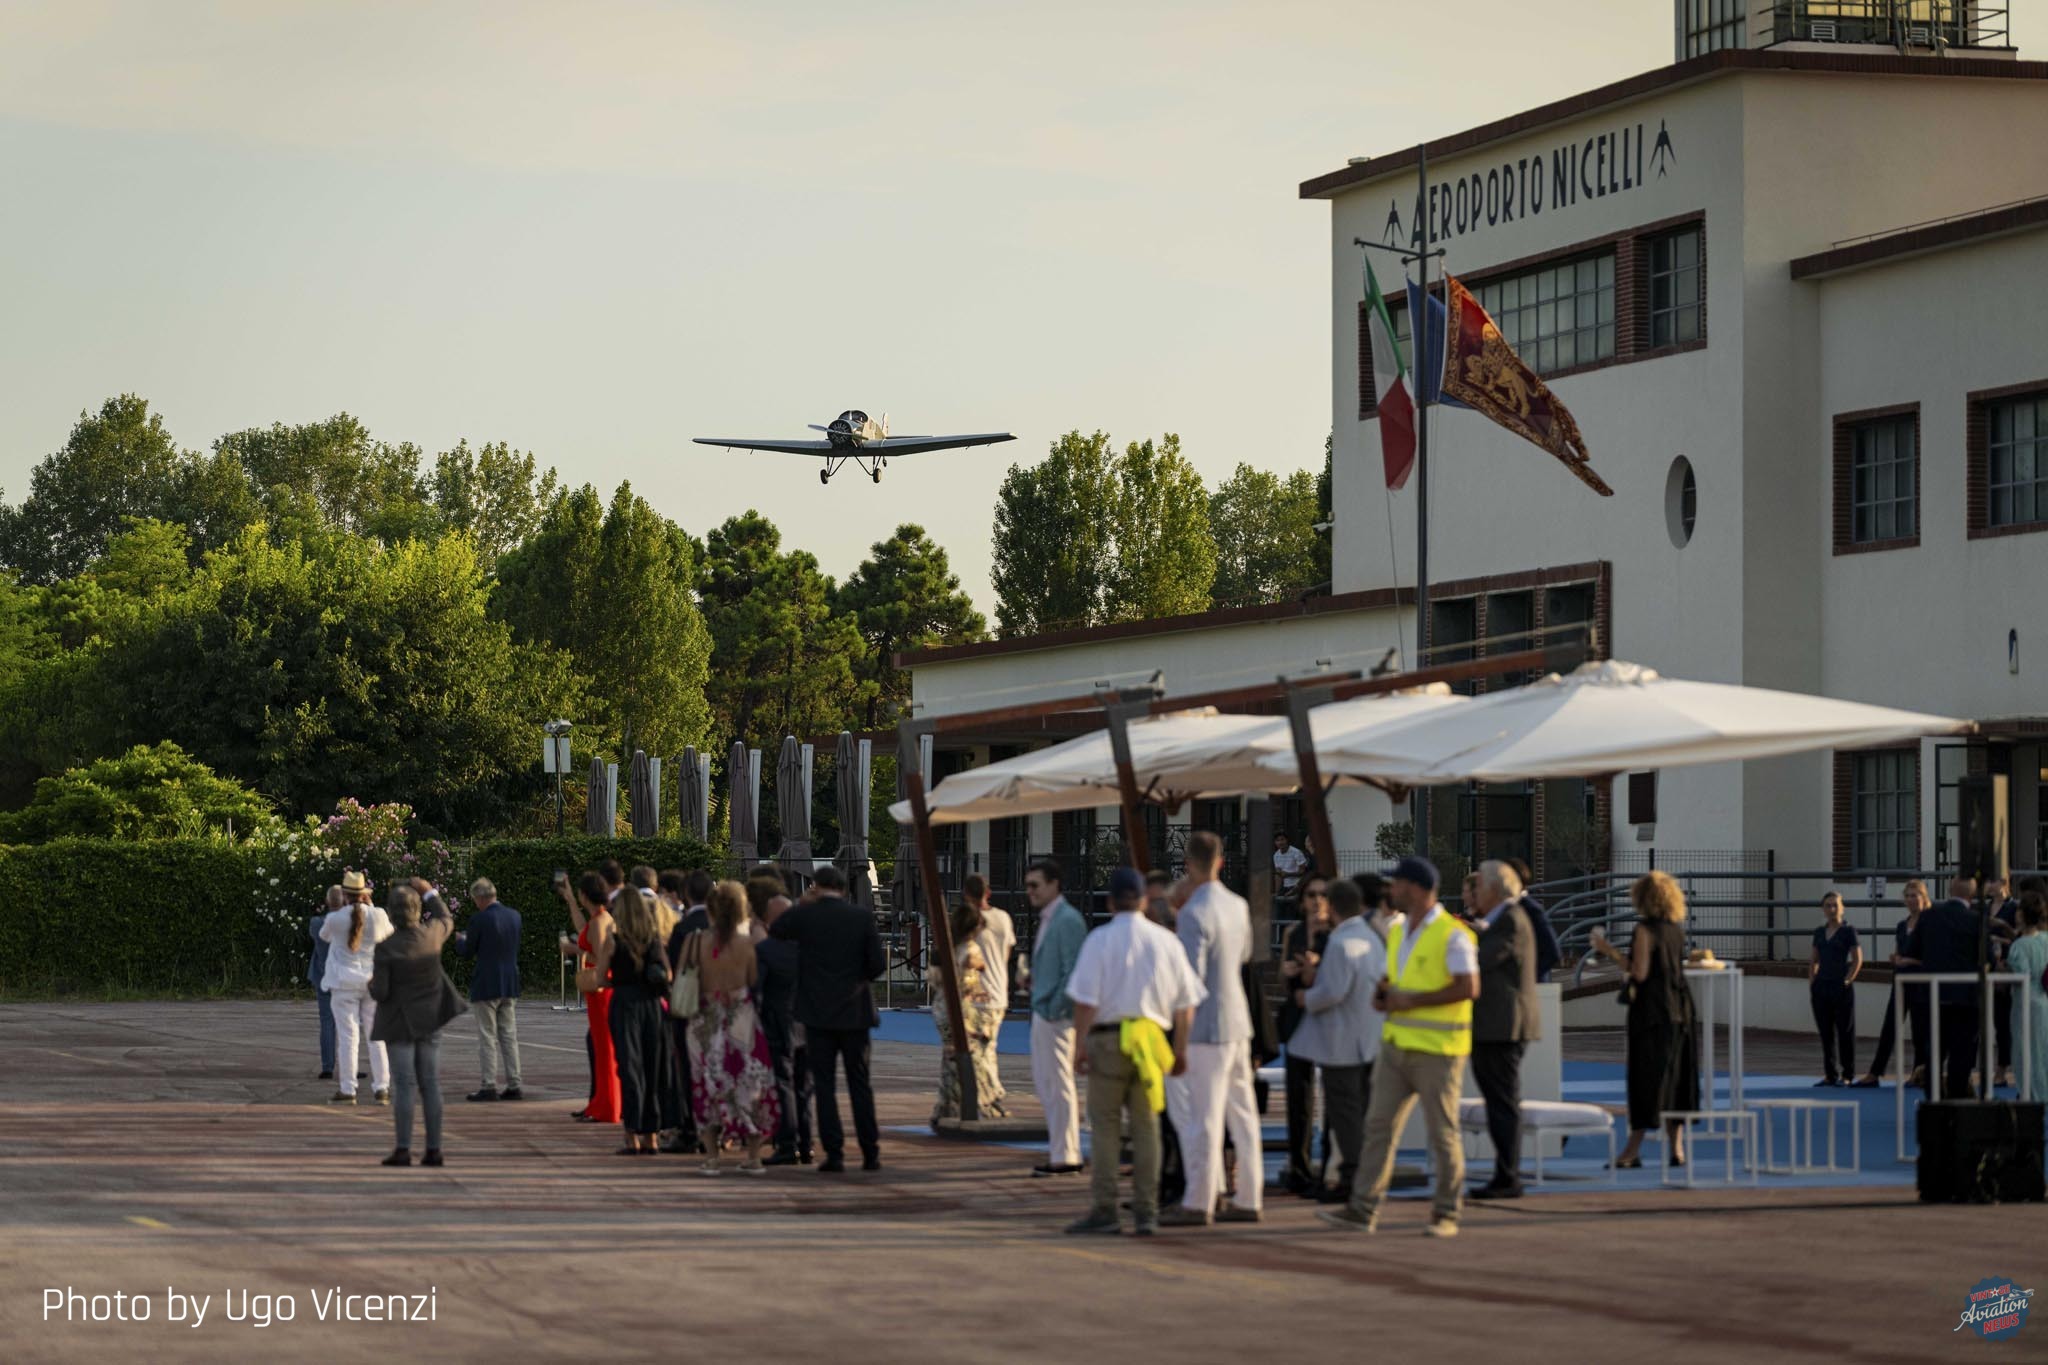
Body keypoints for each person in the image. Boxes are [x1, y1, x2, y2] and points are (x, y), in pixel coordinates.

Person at [1318, 856, 1477, 1238]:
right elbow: (1396, 976)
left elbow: (1468, 987)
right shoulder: (1400, 930)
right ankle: (1362, 1209)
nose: (1390, 890)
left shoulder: (1453, 934)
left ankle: (1446, 1214)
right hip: (1395, 1045)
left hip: (1439, 1050)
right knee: (1378, 1127)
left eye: (1398, 883)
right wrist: (1383, 994)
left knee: (1443, 1133)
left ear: (1417, 888)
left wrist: (1409, 1001)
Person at [1062, 866, 1206, 1237]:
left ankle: (1105, 1209)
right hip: (1149, 1037)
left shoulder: (1100, 940)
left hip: (1108, 1038)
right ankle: (1147, 1210)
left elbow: (1085, 1001)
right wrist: (1181, 1048)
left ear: (1110, 902)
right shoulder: (1166, 942)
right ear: (1144, 900)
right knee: (1147, 1129)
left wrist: (1079, 1043)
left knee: (1106, 1129)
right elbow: (1186, 1003)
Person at [1160, 831, 1262, 1227]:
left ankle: (1200, 1200)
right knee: (1244, 1112)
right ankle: (1249, 1196)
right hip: (1238, 1018)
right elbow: (1247, 954)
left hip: (1206, 1025)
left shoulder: (1192, 913)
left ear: (1188, 863)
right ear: (1220, 860)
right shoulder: (1237, 905)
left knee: (1204, 1114)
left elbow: (1189, 982)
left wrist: (1180, 1042)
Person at [769, 865, 885, 1172]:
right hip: (855, 1012)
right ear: (844, 889)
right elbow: (877, 964)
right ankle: (870, 1150)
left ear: (816, 887)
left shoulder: (806, 916)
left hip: (817, 1013)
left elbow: (777, 929)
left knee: (824, 1086)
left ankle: (834, 1153)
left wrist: (803, 903)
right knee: (860, 1083)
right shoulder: (860, 917)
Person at [1287, 878, 1384, 1206]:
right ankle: (1356, 1174)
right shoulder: (1370, 938)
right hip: (1368, 1040)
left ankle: (1352, 1177)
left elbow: (1333, 991)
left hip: (1343, 1043)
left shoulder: (1342, 944)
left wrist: (1305, 997)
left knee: (1345, 1115)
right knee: (1358, 1112)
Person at [1593, 871, 1699, 1169]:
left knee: (1645, 1079)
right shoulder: (1676, 930)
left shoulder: (1644, 930)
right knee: (1677, 1078)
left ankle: (1632, 1149)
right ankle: (1677, 1148)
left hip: (1652, 1012)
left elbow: (1639, 972)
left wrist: (1608, 951)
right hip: (1681, 1009)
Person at [368, 883, 466, 1167]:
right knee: (430, 1083)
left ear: (391, 914)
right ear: (417, 912)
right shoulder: (432, 936)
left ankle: (403, 1148)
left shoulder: (385, 949)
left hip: (399, 1023)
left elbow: (381, 993)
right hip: (430, 1019)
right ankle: (434, 1149)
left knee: (404, 1084)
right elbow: (447, 918)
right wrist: (429, 892)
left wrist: (372, 986)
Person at [686, 880, 780, 1174]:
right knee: (749, 1086)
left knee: (708, 1084)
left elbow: (684, 978)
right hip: (742, 1020)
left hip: (705, 1021)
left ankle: (712, 1156)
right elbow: (754, 980)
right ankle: (753, 1156)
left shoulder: (696, 941)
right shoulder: (748, 945)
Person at [1469, 859, 1539, 1199]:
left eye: (1479, 885)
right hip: (1494, 1024)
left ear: (1495, 889)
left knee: (1502, 1101)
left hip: (1503, 1025)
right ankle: (1504, 1172)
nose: (1473, 892)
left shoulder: (1509, 919)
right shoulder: (1497, 921)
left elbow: (1480, 962)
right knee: (1498, 1099)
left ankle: (1508, 1175)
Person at [594, 882, 679, 1155]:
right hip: (652, 1005)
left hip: (625, 1004)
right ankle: (652, 1135)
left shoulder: (613, 941)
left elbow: (599, 978)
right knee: (653, 1067)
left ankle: (631, 1133)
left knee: (630, 1068)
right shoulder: (653, 939)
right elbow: (668, 975)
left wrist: (615, 981)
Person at [1026, 859, 1088, 1177]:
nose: (1029, 892)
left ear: (1054, 884)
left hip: (1055, 1016)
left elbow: (1074, 970)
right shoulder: (1053, 918)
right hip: (1045, 1009)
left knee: (1058, 1083)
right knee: (1048, 1082)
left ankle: (1066, 1154)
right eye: (1028, 885)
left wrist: (1054, 1008)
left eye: (1035, 885)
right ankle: (1060, 1150)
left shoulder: (1066, 920)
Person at [751, 875, 814, 1166]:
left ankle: (787, 1143)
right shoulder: (808, 948)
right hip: (808, 1023)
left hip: (778, 1023)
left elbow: (757, 990)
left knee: (784, 1085)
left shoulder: (765, 950)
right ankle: (806, 1142)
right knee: (805, 1087)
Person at [1901, 888, 1987, 1100]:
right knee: (1962, 1053)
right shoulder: (1977, 919)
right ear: (1972, 894)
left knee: (1934, 1052)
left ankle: (1933, 1103)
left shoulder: (1929, 917)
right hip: (1966, 998)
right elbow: (1986, 960)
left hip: (1934, 995)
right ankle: (1959, 1101)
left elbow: (1912, 950)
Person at [1277, 873, 1332, 1196]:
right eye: (1310, 895)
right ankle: (1299, 1165)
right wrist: (1287, 972)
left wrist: (1318, 966)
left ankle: (1328, 1165)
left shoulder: (1336, 934)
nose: (1316, 900)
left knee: (1333, 1094)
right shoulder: (1293, 932)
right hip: (1297, 1014)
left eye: (1322, 895)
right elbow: (1284, 979)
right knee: (1298, 1095)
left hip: (1326, 1017)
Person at [932, 899, 1009, 1123]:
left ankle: (947, 1104)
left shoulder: (946, 948)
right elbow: (973, 968)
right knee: (977, 1055)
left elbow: (936, 979)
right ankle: (984, 1101)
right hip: (961, 1011)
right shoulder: (970, 949)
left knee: (951, 1056)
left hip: (942, 1008)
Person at [321, 871, 394, 1106]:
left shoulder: (335, 918)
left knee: (348, 1038)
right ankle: (382, 1087)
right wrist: (370, 908)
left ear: (344, 895)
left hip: (343, 983)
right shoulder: (378, 915)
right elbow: (388, 935)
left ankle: (348, 1088)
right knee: (377, 1036)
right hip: (371, 981)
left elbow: (325, 936)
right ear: (364, 894)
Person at [1852, 879, 1930, 1087]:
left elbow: (1932, 956)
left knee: (1920, 1030)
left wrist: (1910, 960)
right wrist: (1896, 959)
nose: (1911, 900)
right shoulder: (1902, 925)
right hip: (1901, 980)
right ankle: (1875, 1072)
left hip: (1921, 981)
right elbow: (1899, 951)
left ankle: (1918, 1073)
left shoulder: (1930, 923)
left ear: (1924, 897)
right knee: (1889, 1027)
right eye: (1908, 896)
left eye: (1915, 895)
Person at [454, 877, 524, 1102]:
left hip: (486, 983)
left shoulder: (479, 919)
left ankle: (489, 1084)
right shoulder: (514, 916)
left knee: (487, 1036)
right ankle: (514, 1082)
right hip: (509, 982)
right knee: (509, 1035)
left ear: (481, 897)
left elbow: (468, 951)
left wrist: (460, 940)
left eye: (475, 899)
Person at [566, 871, 621, 1124]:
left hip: (601, 992)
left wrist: (575, 951)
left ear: (585, 895)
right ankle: (601, 1103)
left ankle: (607, 1107)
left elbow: (600, 957)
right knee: (602, 1049)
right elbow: (583, 930)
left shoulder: (600, 922)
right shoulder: (600, 918)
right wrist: (568, 898)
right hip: (601, 993)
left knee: (605, 1050)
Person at [1808, 892, 1862, 1087]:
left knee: (1845, 1032)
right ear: (1823, 909)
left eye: (1835, 905)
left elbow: (1857, 960)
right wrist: (1813, 983)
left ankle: (1848, 1074)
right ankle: (1830, 1074)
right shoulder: (1819, 933)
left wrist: (1847, 981)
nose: (1832, 909)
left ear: (1842, 907)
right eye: (1828, 906)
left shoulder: (1849, 931)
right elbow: (1814, 960)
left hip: (1841, 986)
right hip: (1822, 987)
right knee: (1826, 1033)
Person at [2006, 892, 2048, 1102]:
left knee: (2025, 1052)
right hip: (2044, 1000)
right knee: (2043, 1050)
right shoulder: (2046, 940)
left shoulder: (2019, 946)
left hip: (2024, 1001)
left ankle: (2030, 1095)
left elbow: (2020, 974)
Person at [962, 874, 1017, 1013]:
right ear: (988, 893)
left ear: (966, 894)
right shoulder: (1003, 917)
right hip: (998, 994)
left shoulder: (966, 920)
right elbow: (1006, 953)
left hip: (975, 997)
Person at [1986, 875, 2020, 1089]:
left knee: (2005, 1021)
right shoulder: (1984, 907)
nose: (1988, 886)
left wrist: (2001, 939)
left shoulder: (2013, 908)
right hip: (1988, 969)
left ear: (2003, 883)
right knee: (1992, 1021)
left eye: (1992, 881)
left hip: (2007, 969)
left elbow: (2020, 937)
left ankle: (2003, 1067)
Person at [1505, 857, 1562, 983]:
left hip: (1533, 988)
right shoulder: (1510, 907)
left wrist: (1528, 977)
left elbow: (1552, 952)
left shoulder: (1530, 909)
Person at [309, 885, 345, 1080]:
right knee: (348, 1024)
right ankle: (350, 1065)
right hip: (344, 978)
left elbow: (316, 935)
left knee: (327, 1022)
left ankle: (327, 1065)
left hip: (323, 976)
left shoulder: (317, 922)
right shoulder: (349, 923)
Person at [1272, 832, 1309, 913]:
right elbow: (1278, 875)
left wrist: (1288, 874)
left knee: (1292, 911)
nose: (1280, 842)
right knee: (1279, 910)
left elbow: (1303, 871)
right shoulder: (1276, 855)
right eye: (1277, 840)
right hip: (1285, 886)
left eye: (1282, 839)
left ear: (1287, 840)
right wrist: (1277, 892)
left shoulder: (1296, 852)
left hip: (1297, 885)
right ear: (1275, 843)